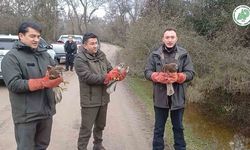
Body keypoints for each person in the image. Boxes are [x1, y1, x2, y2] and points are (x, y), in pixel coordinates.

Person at [1, 21, 63, 150]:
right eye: (32, 36)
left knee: (42, 146)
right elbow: (14, 84)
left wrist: (56, 75)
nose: (36, 39)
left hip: (46, 112)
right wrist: (42, 82)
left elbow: (55, 69)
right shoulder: (12, 57)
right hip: (26, 115)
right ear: (21, 36)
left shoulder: (44, 54)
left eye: (38, 36)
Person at [144, 28, 195, 150]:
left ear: (176, 38)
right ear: (163, 39)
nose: (170, 40)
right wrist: (156, 76)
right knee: (158, 129)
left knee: (178, 128)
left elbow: (191, 73)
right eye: (167, 37)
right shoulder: (154, 54)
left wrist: (179, 77)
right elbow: (146, 72)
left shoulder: (184, 54)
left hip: (178, 99)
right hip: (160, 99)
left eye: (172, 37)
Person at [74, 32, 126, 150]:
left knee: (100, 125)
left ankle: (98, 145)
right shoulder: (79, 59)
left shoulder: (101, 55)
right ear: (84, 45)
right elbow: (87, 77)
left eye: (96, 43)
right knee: (86, 128)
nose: (95, 46)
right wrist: (107, 77)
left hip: (104, 98)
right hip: (90, 99)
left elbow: (110, 69)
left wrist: (118, 74)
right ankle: (82, 147)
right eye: (92, 44)